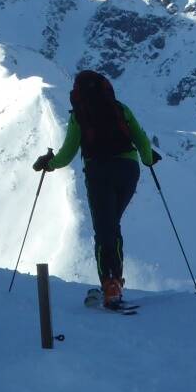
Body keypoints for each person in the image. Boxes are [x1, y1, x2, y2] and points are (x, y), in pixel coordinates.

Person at [33, 70, 160, 309]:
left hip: (99, 173)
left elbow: (67, 153)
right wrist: (148, 158)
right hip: (128, 171)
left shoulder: (79, 115)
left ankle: (110, 285)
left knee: (104, 230)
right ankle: (115, 282)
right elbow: (141, 139)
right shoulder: (120, 108)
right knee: (112, 226)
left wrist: (48, 164)